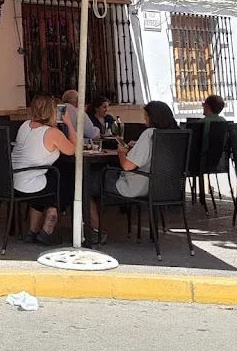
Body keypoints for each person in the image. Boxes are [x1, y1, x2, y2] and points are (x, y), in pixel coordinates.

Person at [86, 100, 178, 245]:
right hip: (163, 187)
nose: (145, 120)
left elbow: (127, 166)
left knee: (84, 184)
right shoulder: (174, 135)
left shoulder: (149, 134)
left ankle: (96, 231)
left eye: (146, 117)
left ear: (153, 118)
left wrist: (121, 152)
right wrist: (137, 147)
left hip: (136, 187)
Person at [12, 94, 78, 246]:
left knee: (56, 173)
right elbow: (73, 150)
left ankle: (32, 230)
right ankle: (48, 228)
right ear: (51, 112)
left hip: (15, 182)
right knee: (67, 178)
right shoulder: (51, 132)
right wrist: (69, 123)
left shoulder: (25, 125)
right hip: (32, 186)